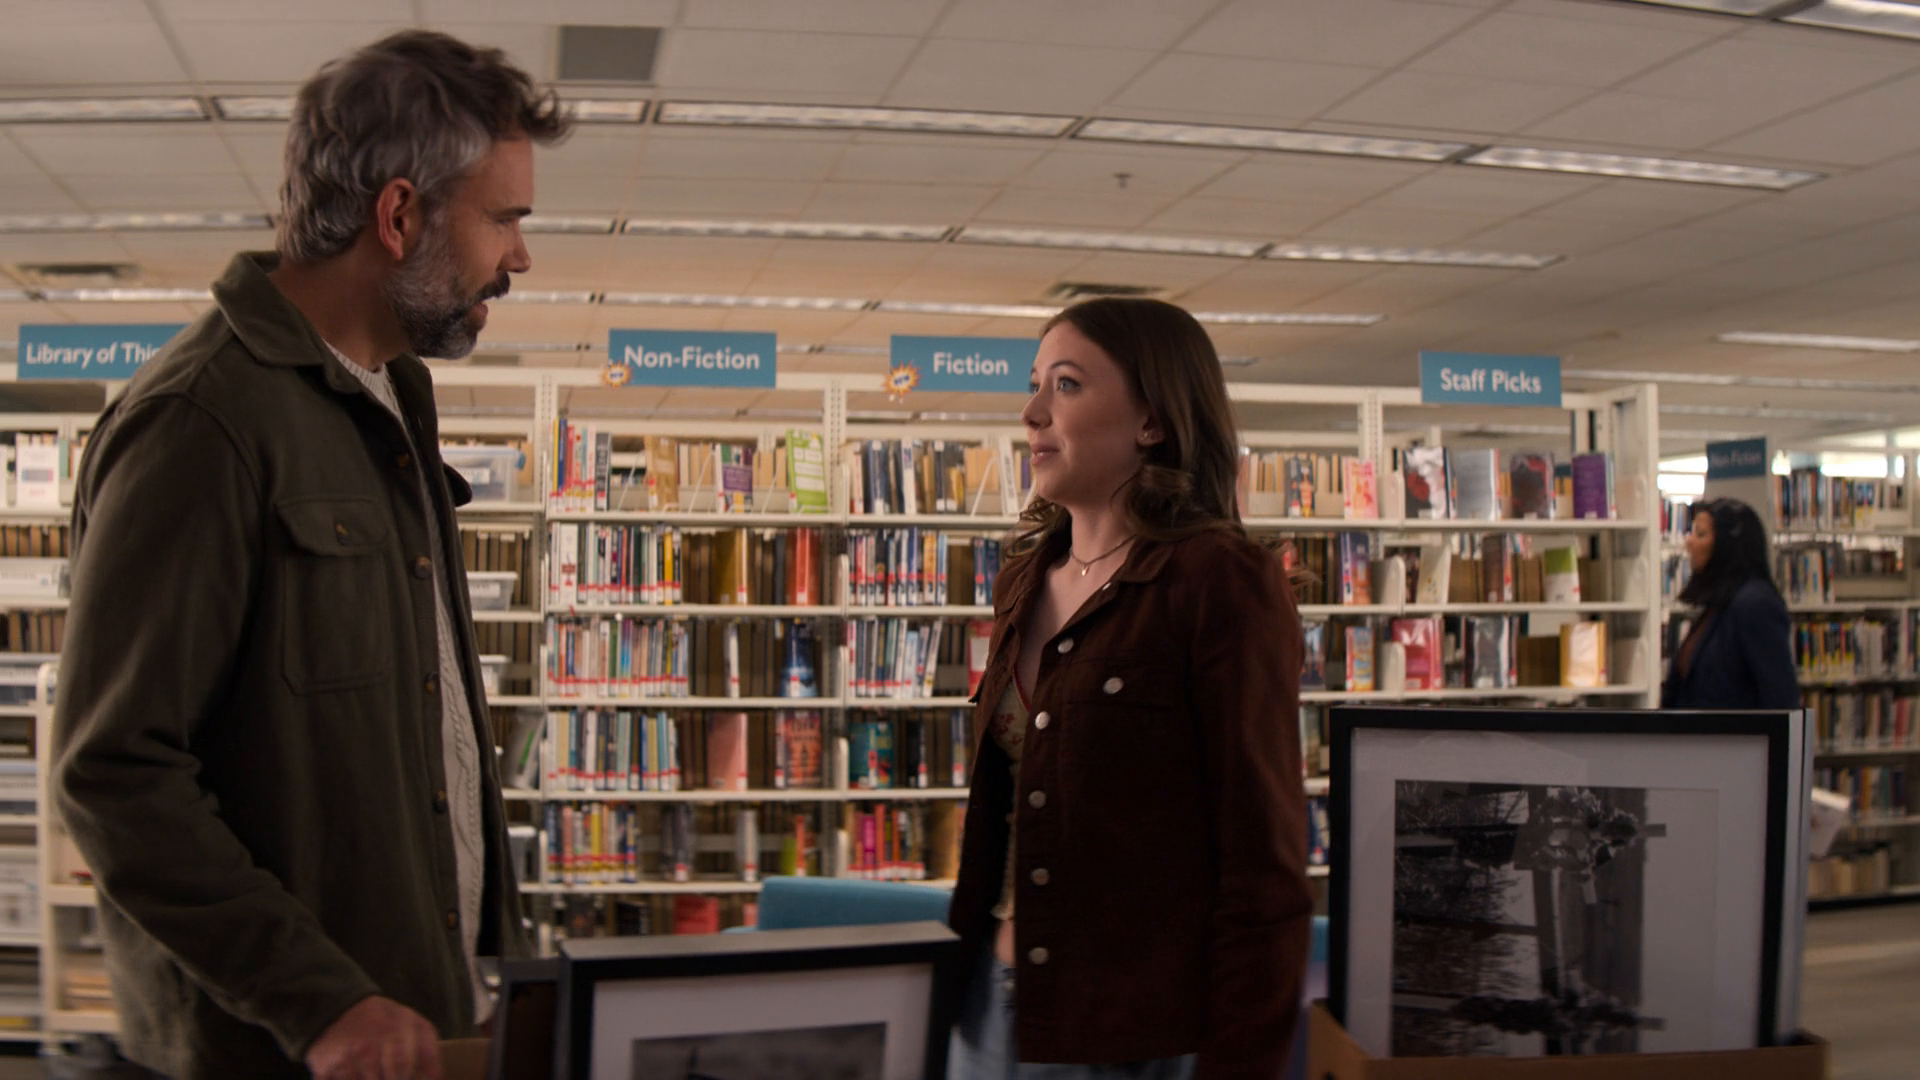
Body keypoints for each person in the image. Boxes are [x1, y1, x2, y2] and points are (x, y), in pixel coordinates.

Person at [52, 31, 569, 1080]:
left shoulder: (394, 398)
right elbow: (115, 772)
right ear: (399, 215)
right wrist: (319, 999)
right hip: (286, 1049)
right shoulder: (203, 422)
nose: (519, 257)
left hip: (421, 1024)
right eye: (504, 218)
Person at [945, 298, 1314, 1078]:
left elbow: (1263, 861)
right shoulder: (1023, 581)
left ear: (1152, 419)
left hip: (1127, 1034)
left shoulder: (1218, 582)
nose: (1032, 412)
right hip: (987, 1009)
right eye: (1035, 385)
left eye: (1067, 385)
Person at [1661, 497, 1800, 709]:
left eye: (1700, 534)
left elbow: (1779, 696)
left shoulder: (1755, 605)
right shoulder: (1718, 605)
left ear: (1727, 545)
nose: (1689, 542)